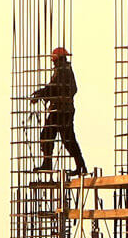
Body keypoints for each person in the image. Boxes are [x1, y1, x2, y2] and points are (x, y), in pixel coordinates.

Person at [29, 46, 88, 175]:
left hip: (61, 111)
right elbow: (57, 88)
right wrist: (42, 94)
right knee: (64, 139)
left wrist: (40, 94)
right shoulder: (64, 70)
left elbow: (54, 87)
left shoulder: (62, 70)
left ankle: (52, 164)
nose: (52, 61)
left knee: (54, 136)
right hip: (62, 110)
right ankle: (80, 167)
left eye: (53, 58)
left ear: (58, 59)